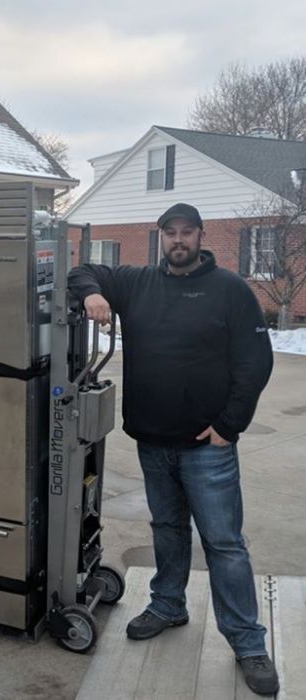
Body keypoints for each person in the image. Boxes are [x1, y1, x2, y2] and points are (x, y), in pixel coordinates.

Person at [68, 203, 278, 695]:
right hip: (153, 440)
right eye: (170, 232)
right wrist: (95, 294)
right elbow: (82, 269)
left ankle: (248, 641)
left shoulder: (229, 290)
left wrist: (230, 424)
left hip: (208, 446)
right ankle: (168, 604)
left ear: (201, 236)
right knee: (166, 528)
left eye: (187, 232)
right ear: (159, 236)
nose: (179, 240)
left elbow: (256, 361)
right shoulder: (136, 282)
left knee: (224, 543)